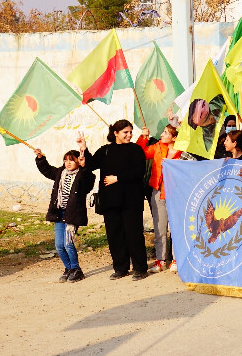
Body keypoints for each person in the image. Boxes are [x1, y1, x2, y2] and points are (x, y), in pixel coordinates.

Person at [78, 120, 149, 280]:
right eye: (125, 132)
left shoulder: (136, 150)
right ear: (115, 133)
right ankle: (120, 268)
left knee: (134, 234)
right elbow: (91, 164)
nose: (129, 135)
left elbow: (139, 172)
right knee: (114, 235)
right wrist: (84, 149)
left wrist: (118, 178)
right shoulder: (106, 150)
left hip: (131, 200)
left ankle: (140, 268)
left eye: (130, 132)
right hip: (110, 200)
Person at [34, 148, 95, 282]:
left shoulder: (84, 175)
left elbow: (88, 183)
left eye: (72, 160)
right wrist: (40, 158)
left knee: (68, 243)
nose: (68, 163)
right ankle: (68, 268)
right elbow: (47, 170)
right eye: (65, 160)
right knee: (59, 245)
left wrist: (84, 167)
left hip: (72, 214)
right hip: (59, 213)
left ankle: (76, 269)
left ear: (78, 161)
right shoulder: (60, 173)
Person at [137, 125, 182, 274]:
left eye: (166, 133)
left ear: (174, 137)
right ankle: (161, 260)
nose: (162, 134)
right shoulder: (157, 147)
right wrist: (143, 138)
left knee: (176, 228)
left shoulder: (183, 152)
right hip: (158, 191)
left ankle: (176, 259)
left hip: (176, 193)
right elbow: (140, 154)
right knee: (159, 228)